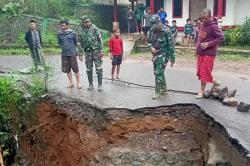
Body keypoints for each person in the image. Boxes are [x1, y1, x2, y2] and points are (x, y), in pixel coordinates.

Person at [196, 8, 224, 99]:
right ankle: (214, 81)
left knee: (204, 71)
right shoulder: (202, 24)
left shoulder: (213, 26)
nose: (203, 20)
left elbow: (221, 38)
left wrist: (208, 44)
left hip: (210, 53)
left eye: (205, 18)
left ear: (210, 16)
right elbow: (200, 38)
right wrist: (197, 49)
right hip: (201, 52)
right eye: (202, 18)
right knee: (201, 71)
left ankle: (201, 91)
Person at [148, 14, 175, 99]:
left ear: (159, 22)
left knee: (158, 72)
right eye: (152, 25)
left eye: (155, 24)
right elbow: (149, 42)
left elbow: (171, 45)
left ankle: (157, 92)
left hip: (164, 54)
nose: (154, 27)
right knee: (158, 71)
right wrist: (151, 47)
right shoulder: (152, 30)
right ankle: (164, 89)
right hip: (155, 54)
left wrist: (172, 57)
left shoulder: (167, 30)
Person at [78, 16, 104, 91]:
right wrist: (80, 54)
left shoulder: (94, 28)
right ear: (83, 23)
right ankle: (91, 85)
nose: (88, 23)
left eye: (89, 21)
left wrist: (101, 51)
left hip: (96, 51)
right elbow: (79, 43)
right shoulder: (80, 30)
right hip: (87, 52)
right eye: (86, 22)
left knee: (99, 68)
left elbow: (100, 39)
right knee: (89, 69)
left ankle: (100, 85)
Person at [57, 20, 82, 89]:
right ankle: (71, 83)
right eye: (61, 25)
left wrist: (79, 53)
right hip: (64, 54)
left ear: (67, 25)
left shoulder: (72, 33)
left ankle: (78, 83)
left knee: (75, 68)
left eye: (64, 25)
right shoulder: (59, 34)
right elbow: (59, 43)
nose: (62, 27)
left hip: (72, 53)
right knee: (67, 69)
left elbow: (76, 42)